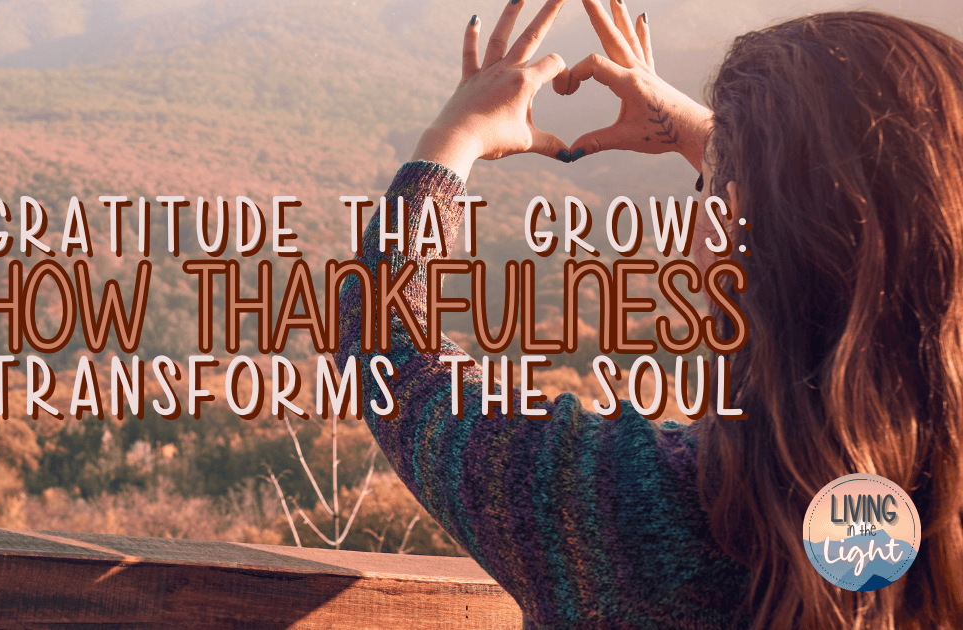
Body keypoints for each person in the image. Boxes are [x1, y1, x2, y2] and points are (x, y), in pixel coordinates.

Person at [333, 0, 963, 628]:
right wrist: (730, 156)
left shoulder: (622, 508)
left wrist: (450, 141)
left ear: (721, 236)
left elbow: (387, 350)